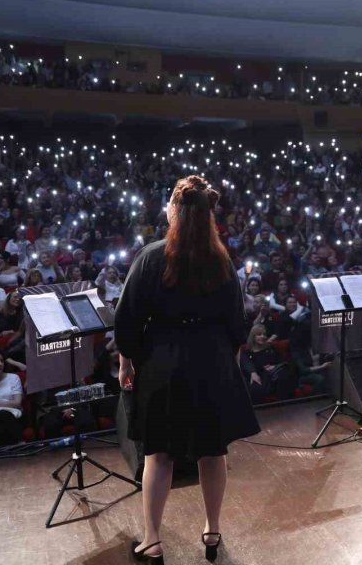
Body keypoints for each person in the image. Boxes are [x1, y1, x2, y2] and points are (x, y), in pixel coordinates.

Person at [115, 175, 259, 562]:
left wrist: (126, 360)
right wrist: (228, 364)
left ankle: (152, 540)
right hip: (212, 362)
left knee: (158, 454)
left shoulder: (151, 255)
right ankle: (212, 532)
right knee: (213, 452)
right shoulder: (221, 260)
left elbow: (126, 318)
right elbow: (236, 323)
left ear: (174, 211)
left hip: (163, 362)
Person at [239, 324, 295, 403]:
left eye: (264, 335)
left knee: (284, 376)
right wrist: (253, 372)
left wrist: (273, 366)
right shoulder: (246, 351)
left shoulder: (270, 348)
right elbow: (246, 364)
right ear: (253, 336)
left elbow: (282, 361)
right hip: (259, 377)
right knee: (255, 388)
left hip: (274, 376)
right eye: (259, 334)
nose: (262, 337)